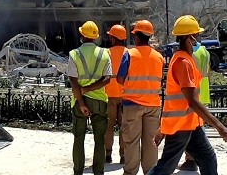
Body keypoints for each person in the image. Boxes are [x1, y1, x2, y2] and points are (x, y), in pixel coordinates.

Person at [147, 15, 227, 175]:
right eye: (196, 36)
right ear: (189, 37)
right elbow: (191, 101)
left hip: (190, 123)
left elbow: (172, 100)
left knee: (208, 159)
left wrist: (162, 129)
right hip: (181, 125)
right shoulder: (183, 63)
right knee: (165, 167)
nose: (197, 40)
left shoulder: (185, 59)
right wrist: (220, 127)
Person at [116, 20, 164, 175]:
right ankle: (150, 172)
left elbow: (120, 79)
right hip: (153, 105)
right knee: (151, 142)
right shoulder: (158, 57)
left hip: (132, 104)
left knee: (131, 141)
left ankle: (130, 172)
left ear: (136, 36)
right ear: (149, 37)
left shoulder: (129, 54)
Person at [67, 20, 112, 175]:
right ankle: (98, 173)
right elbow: (107, 79)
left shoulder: (74, 54)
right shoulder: (105, 53)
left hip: (79, 101)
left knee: (78, 138)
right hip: (99, 101)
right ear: (96, 37)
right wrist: (89, 89)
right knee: (99, 140)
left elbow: (73, 80)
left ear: (82, 35)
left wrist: (81, 101)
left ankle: (78, 172)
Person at [177, 21, 211, 172]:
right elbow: (208, 72)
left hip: (192, 94)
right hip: (203, 92)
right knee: (198, 128)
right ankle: (194, 159)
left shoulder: (190, 54)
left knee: (189, 128)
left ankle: (190, 160)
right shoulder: (205, 51)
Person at [104, 24, 127, 164]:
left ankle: (108, 154)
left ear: (113, 38)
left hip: (109, 96)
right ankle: (123, 155)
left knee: (109, 127)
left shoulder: (106, 53)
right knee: (124, 128)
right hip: (124, 96)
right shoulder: (128, 53)